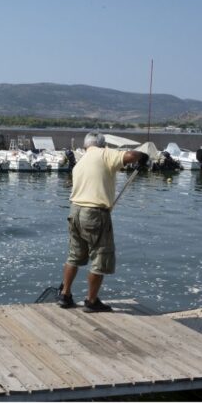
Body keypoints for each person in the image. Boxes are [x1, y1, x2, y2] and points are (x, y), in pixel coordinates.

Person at [58, 131, 148, 312]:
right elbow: (130, 156)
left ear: (86, 145)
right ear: (102, 144)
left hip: (74, 211)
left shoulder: (81, 161)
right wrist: (142, 155)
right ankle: (91, 301)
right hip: (94, 213)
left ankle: (65, 295)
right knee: (100, 257)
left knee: (74, 256)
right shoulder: (104, 153)